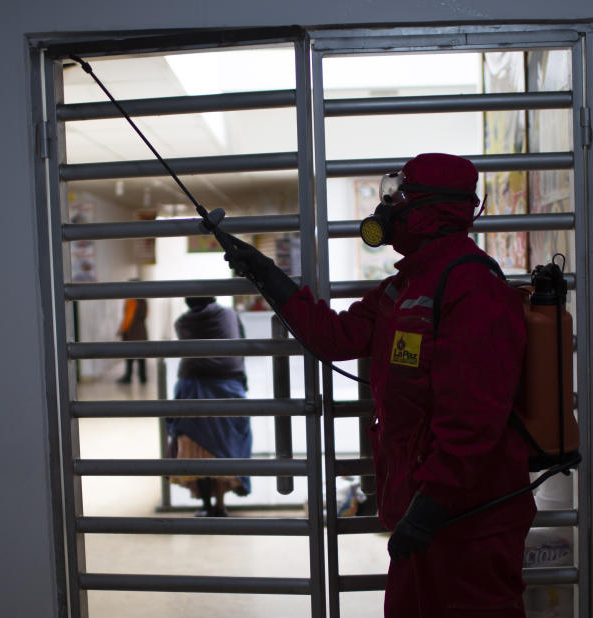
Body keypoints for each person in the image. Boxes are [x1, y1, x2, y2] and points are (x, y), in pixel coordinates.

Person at [222, 153, 535, 617]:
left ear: (428, 209)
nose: (386, 208)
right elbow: (333, 336)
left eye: (398, 196)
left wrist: (431, 506)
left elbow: (474, 420)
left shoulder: (472, 287)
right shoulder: (404, 285)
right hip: (424, 512)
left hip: (469, 522)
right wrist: (266, 275)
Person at [167, 297, 252, 517]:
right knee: (224, 447)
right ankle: (221, 505)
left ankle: (206, 504)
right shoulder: (229, 315)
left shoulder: (183, 323)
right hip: (227, 387)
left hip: (193, 389)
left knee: (196, 449)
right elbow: (241, 344)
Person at [116, 290, 148, 384]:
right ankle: (143, 378)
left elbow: (128, 317)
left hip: (132, 332)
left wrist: (122, 330)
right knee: (142, 356)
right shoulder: (143, 300)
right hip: (141, 331)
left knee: (129, 355)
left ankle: (128, 377)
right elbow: (146, 315)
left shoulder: (131, 300)